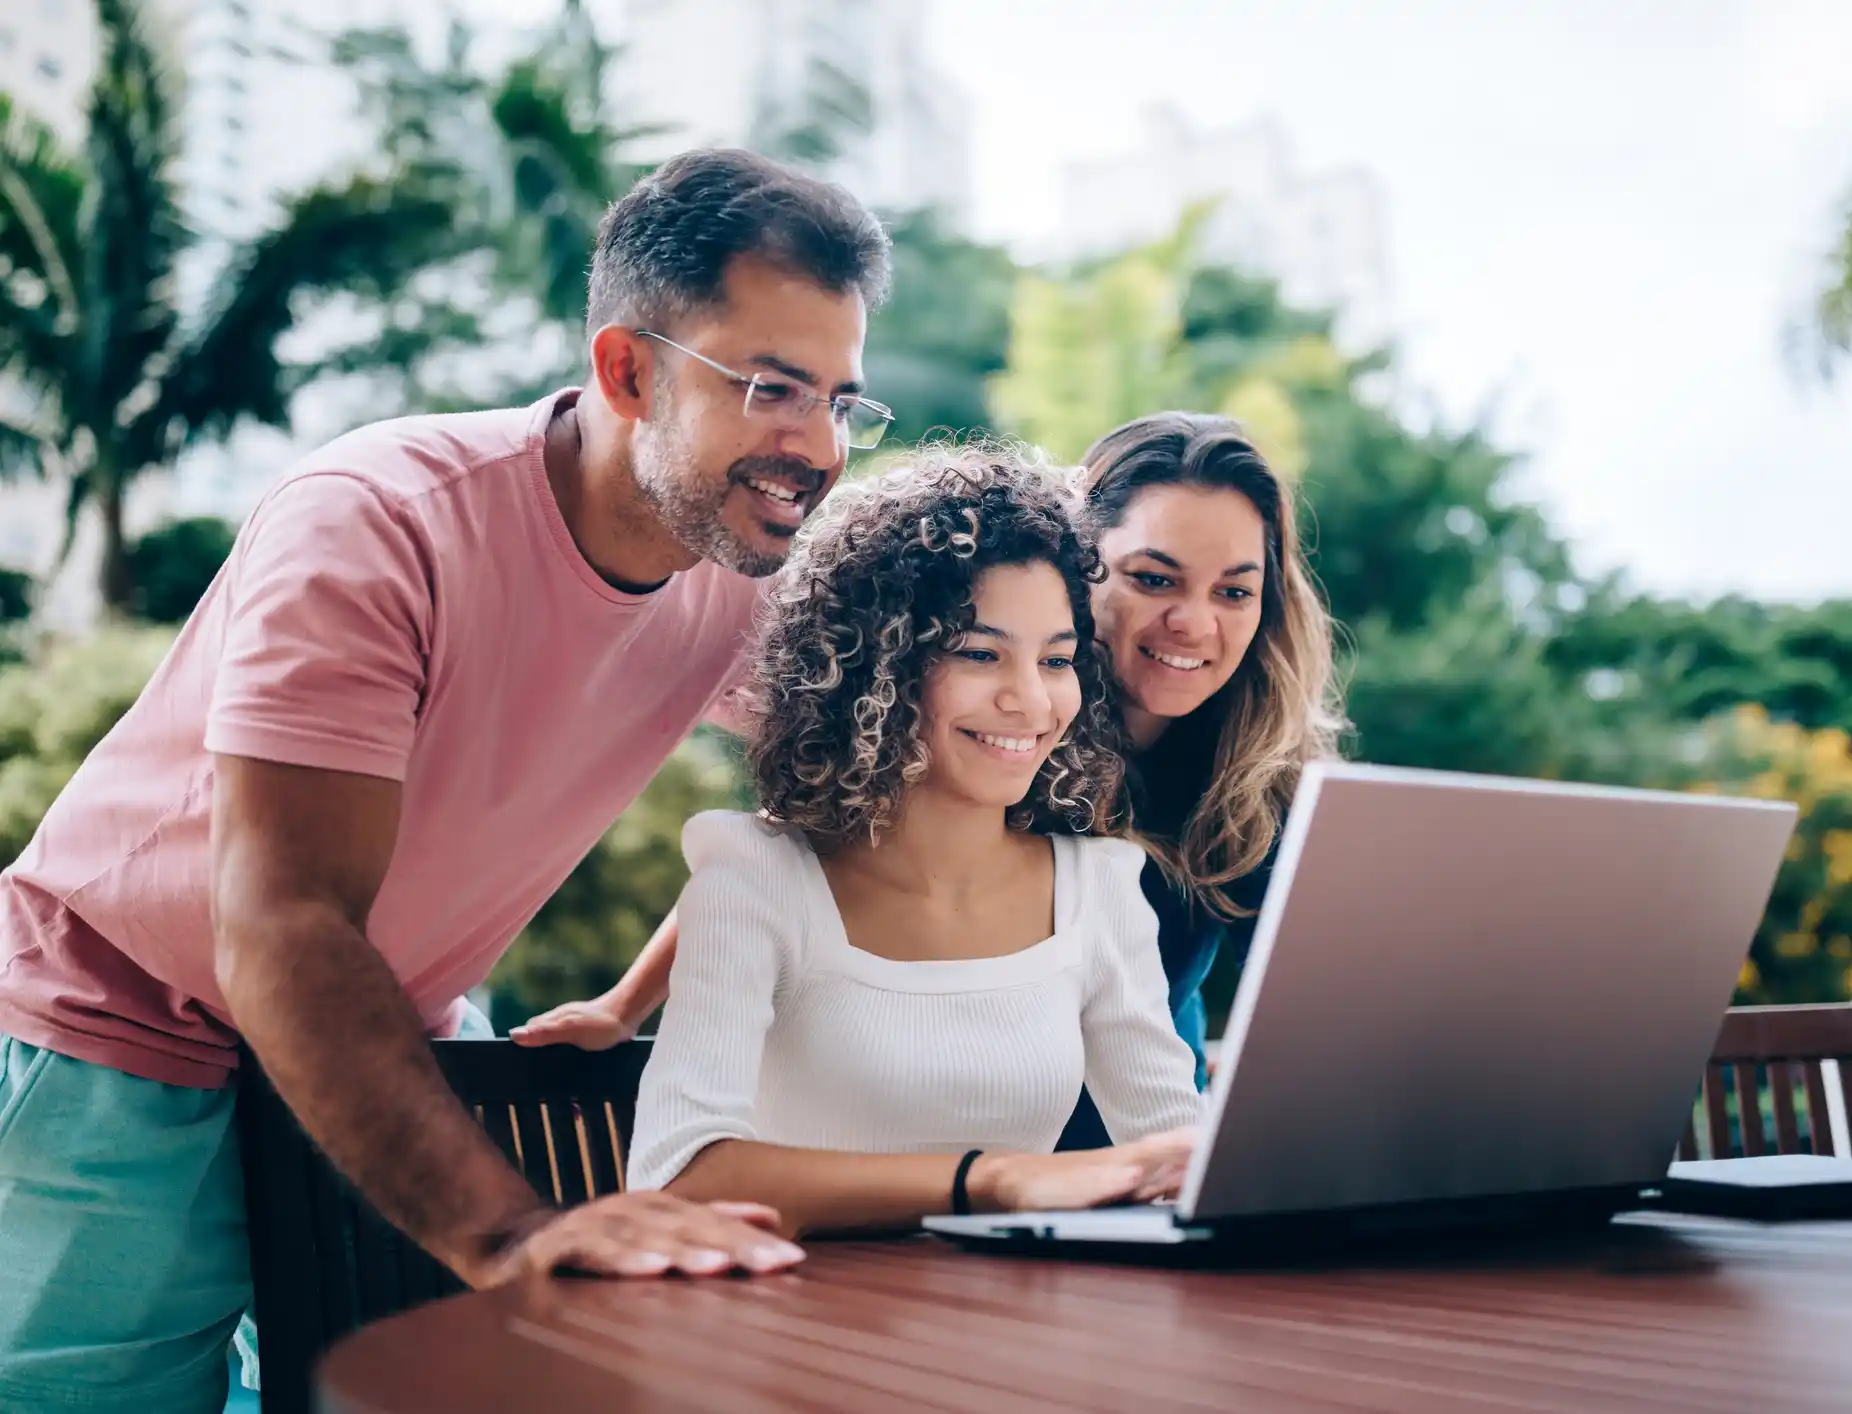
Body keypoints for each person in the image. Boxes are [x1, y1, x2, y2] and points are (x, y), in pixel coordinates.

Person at [0, 147, 891, 1414]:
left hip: (390, 1038)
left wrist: (634, 998)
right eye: (771, 388)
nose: (813, 446)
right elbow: (284, 925)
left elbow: (839, 813)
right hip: (116, 1029)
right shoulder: (378, 517)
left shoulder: (737, 580)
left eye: (843, 402)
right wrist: (508, 1232)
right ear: (627, 370)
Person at [517, 412, 1343, 1142]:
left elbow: (1324, 1008)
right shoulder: (983, 733)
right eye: (1152, 579)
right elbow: (782, 862)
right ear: (1076, 565)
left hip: (1129, 1146)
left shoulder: (1255, 778)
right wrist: (624, 1007)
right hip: (958, 1142)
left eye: (1236, 591)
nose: (1194, 622)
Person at [625, 447, 1201, 1234]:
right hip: (785, 1325)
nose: (1030, 699)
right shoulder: (755, 878)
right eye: (978, 653)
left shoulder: (1098, 891)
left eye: (1057, 660)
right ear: (876, 667)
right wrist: (991, 1181)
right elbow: (676, 1178)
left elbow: (1175, 1156)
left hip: (1013, 1332)